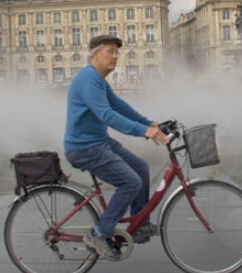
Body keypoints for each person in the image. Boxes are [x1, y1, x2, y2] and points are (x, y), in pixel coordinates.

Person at [64, 34, 169, 260]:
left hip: (98, 142)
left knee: (141, 168)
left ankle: (139, 223)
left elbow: (118, 105)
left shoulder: (98, 79)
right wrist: (143, 131)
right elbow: (107, 114)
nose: (115, 57)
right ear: (96, 54)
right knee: (130, 182)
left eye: (116, 52)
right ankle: (99, 233)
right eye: (110, 51)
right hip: (84, 148)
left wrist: (148, 122)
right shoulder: (88, 78)